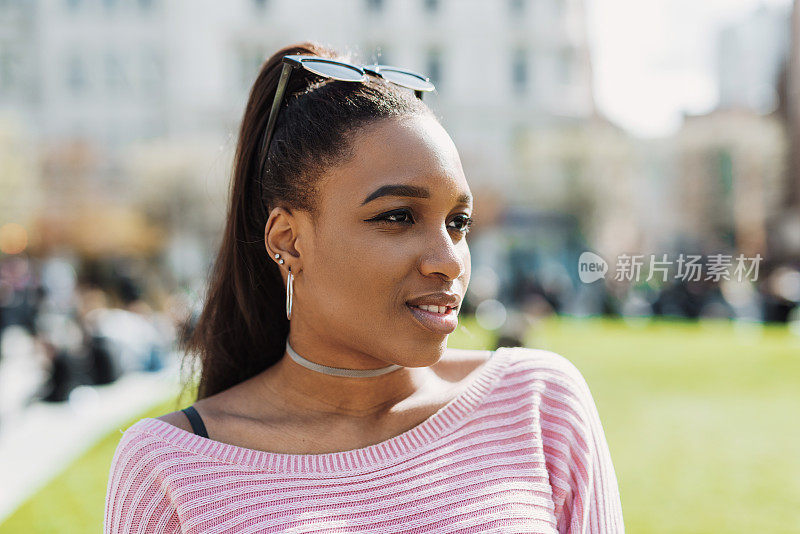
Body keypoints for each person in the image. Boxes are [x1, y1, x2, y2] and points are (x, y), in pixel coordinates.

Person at [103, 41, 624, 533]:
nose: (448, 261)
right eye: (398, 216)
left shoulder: (537, 402)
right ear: (289, 240)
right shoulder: (169, 466)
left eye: (458, 222)